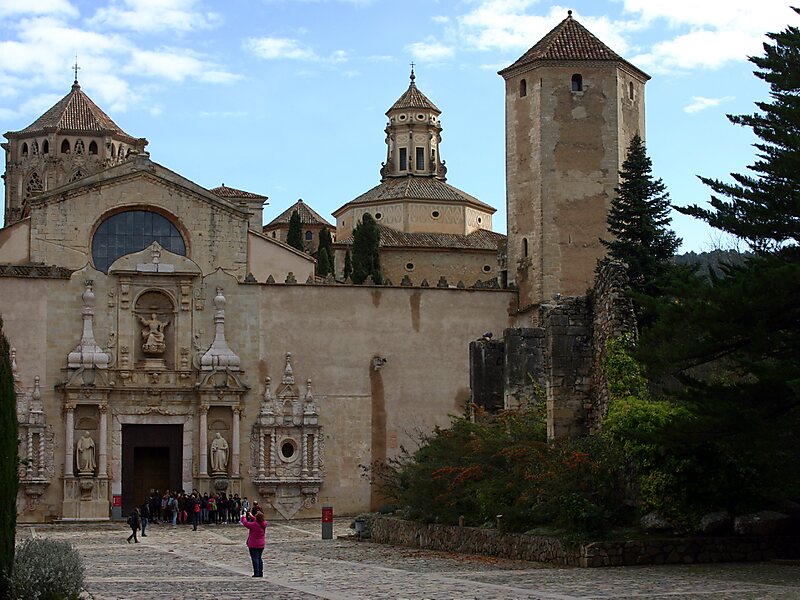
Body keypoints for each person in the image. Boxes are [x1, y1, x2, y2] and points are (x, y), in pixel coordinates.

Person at [240, 510, 267, 577]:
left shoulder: (254, 525)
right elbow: (258, 520)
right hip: (261, 544)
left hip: (253, 544)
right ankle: (260, 572)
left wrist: (243, 517)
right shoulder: (263, 523)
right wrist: (251, 516)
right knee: (259, 558)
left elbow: (245, 523)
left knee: (255, 558)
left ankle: (256, 573)